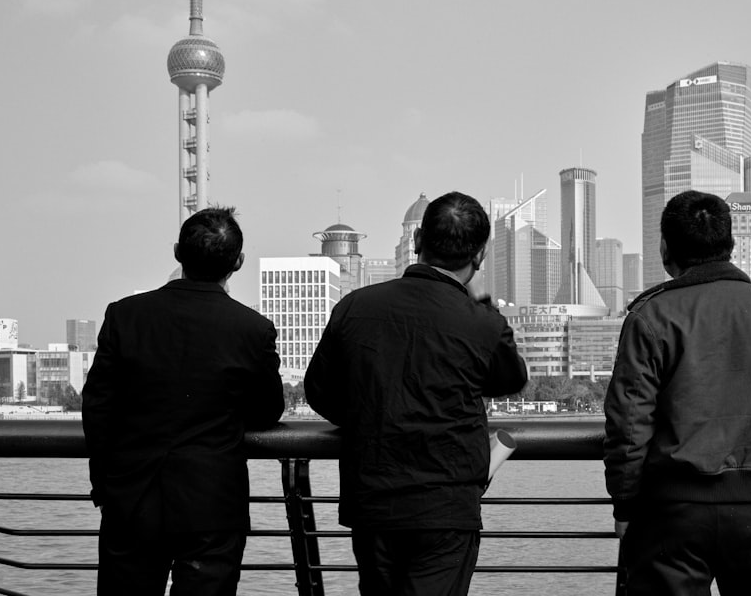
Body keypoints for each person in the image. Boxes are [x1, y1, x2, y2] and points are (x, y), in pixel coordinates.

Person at [305, 190, 528, 596]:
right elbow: (510, 378)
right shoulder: (481, 323)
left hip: (373, 501)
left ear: (417, 242)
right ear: (479, 256)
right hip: (446, 505)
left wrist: (370, 414)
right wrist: (482, 302)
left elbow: (319, 392)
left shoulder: (354, 307)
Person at [603, 190, 751, 596]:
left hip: (672, 512)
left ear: (666, 248)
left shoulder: (651, 315)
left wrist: (625, 505)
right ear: (730, 245)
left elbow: (629, 425)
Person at [82, 206, 284, 596]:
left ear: (178, 252)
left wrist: (105, 484)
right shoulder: (251, 328)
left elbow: (98, 406)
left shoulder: (125, 315)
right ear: (238, 262)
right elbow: (267, 410)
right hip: (211, 504)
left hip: (132, 499)